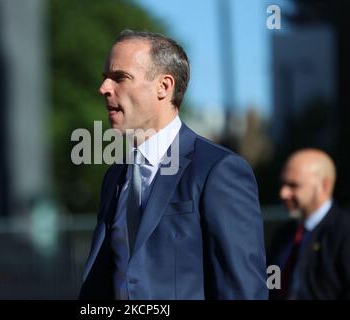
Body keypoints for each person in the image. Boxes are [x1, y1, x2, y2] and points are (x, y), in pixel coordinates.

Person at [79, 30, 268, 300]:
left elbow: (243, 290)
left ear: (164, 87)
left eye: (120, 77)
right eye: (105, 78)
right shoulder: (114, 177)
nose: (104, 88)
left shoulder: (219, 170)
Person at [268, 149, 350, 299]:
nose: (283, 193)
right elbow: (272, 281)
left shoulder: (343, 234)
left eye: (293, 185)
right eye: (283, 184)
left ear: (324, 186)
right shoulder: (283, 236)